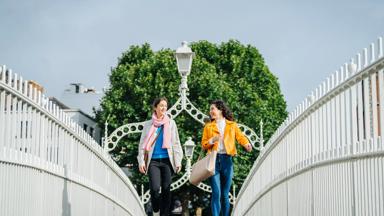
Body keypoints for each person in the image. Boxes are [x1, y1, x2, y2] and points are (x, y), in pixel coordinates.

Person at [201, 100, 252, 216]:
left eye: (213, 109)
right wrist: (212, 140)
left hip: (227, 160)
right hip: (213, 160)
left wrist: (246, 144)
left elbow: (240, 137)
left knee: (224, 194)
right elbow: (203, 144)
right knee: (216, 192)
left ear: (220, 110)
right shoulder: (208, 127)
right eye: (210, 109)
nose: (211, 111)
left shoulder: (231, 125)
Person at [137, 97, 184, 216]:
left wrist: (178, 161)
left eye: (165, 106)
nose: (164, 108)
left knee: (167, 189)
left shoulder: (171, 123)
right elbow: (142, 144)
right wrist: (141, 161)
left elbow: (176, 142)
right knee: (155, 188)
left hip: (167, 161)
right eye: (161, 105)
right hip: (153, 161)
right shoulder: (148, 124)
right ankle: (156, 209)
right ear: (155, 107)